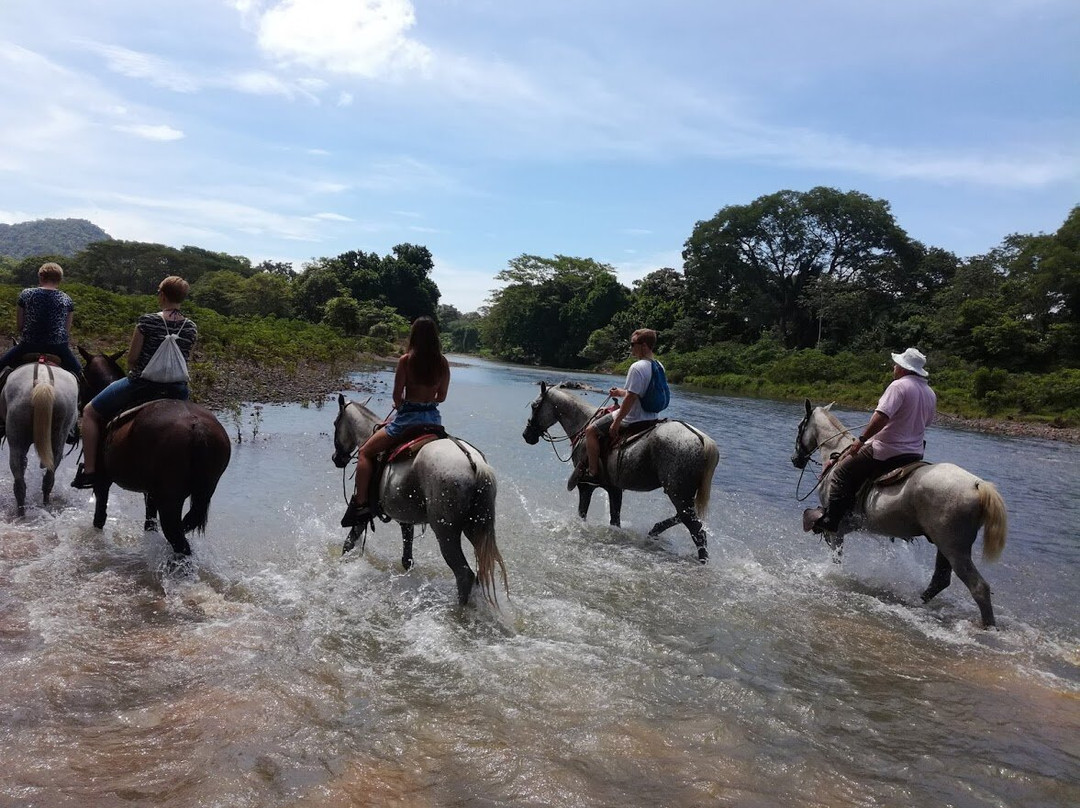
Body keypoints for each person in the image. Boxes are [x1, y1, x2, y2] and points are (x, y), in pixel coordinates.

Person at [71, 276, 197, 489]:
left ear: (162, 295)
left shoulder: (147, 321)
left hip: (142, 383)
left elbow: (132, 359)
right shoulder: (191, 327)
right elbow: (186, 359)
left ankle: (90, 470)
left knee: (91, 412)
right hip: (177, 389)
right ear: (183, 298)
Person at [803, 347, 937, 535]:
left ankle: (832, 520)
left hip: (888, 450)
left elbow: (882, 417)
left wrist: (862, 440)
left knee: (842, 472)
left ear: (904, 369)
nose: (894, 367)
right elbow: (927, 422)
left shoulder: (898, 386)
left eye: (897, 364)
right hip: (914, 453)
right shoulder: (929, 392)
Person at [340, 316, 450, 527]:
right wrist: (427, 401)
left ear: (414, 335)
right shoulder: (442, 362)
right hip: (434, 423)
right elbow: (442, 397)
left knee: (365, 452)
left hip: (407, 421)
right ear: (435, 337)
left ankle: (361, 502)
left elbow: (397, 397)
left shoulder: (406, 360)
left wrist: (403, 405)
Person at [570, 328, 665, 488]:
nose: (631, 348)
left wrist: (617, 422)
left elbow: (631, 398)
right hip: (652, 418)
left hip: (633, 419)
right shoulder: (658, 365)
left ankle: (593, 473)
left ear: (644, 345)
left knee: (591, 431)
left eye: (633, 344)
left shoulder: (637, 367)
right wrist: (619, 392)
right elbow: (639, 392)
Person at [0, 261, 82, 379]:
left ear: (41, 277)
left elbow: (20, 326)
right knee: (80, 372)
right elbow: (66, 330)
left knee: (1, 365)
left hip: (29, 344)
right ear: (59, 279)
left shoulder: (26, 294)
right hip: (58, 346)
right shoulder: (67, 299)